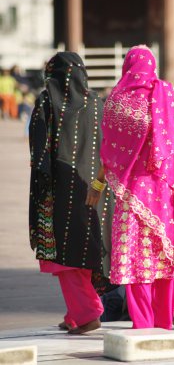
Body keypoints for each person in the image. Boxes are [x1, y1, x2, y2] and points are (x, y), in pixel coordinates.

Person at [86, 45, 174, 329]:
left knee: (136, 261)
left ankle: (142, 324)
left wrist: (97, 185)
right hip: (164, 194)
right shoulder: (169, 96)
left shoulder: (118, 101)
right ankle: (164, 324)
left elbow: (109, 154)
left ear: (127, 66)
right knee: (163, 260)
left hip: (130, 195)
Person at [29, 52, 114, 334]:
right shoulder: (97, 102)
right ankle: (75, 314)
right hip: (95, 189)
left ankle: (88, 313)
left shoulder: (47, 100)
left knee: (64, 254)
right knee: (87, 248)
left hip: (61, 188)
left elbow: (39, 149)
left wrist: (42, 184)